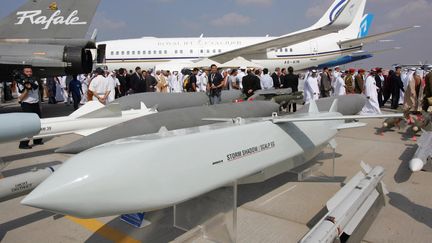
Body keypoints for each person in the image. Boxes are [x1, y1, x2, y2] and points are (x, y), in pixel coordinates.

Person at [16, 66, 43, 149]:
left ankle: (37, 140)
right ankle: (23, 144)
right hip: (26, 104)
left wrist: (39, 104)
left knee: (39, 123)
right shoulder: (20, 82)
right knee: (28, 125)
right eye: (27, 72)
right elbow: (20, 98)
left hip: (35, 104)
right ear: (24, 72)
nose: (29, 73)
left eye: (30, 71)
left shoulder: (34, 80)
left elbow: (37, 92)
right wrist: (27, 89)